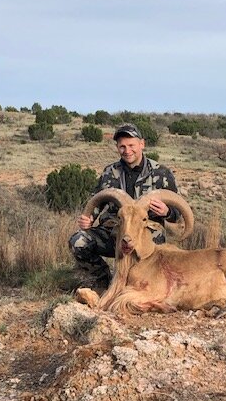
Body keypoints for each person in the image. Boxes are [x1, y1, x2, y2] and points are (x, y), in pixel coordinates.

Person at [69, 123, 180, 288]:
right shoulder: (109, 173)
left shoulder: (161, 174)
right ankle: (102, 280)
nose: (127, 151)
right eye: (122, 146)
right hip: (115, 232)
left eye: (131, 145)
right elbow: (96, 203)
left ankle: (147, 284)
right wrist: (89, 219)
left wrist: (167, 211)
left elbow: (177, 212)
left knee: (156, 248)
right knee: (78, 241)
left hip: (146, 235)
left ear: (142, 144)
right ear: (117, 147)